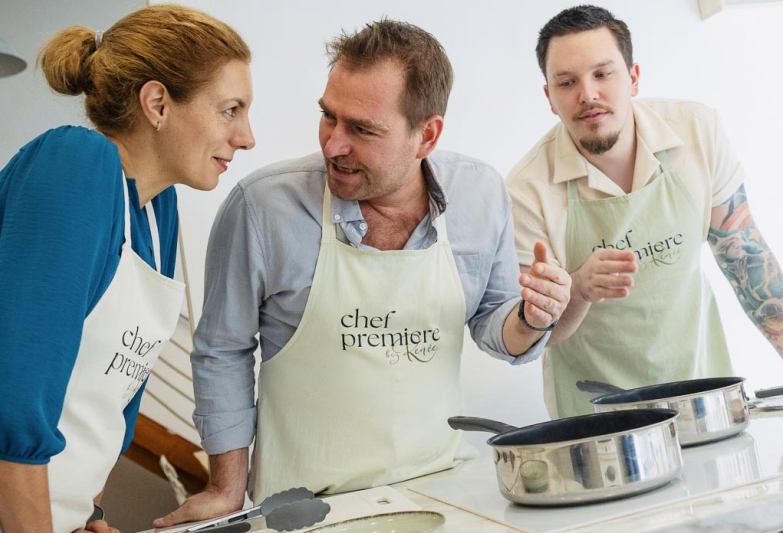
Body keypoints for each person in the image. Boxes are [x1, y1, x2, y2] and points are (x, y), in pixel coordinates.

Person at [154, 19, 572, 528]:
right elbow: (223, 351)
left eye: (362, 129)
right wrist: (226, 489)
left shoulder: (480, 194)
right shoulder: (261, 207)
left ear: (426, 135)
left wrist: (531, 317)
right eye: (328, 116)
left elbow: (491, 321)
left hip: (442, 491)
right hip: (304, 506)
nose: (333, 144)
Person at [0, 5, 254, 532]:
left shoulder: (158, 211)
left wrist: (87, 514)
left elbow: (109, 401)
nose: (246, 137)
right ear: (157, 103)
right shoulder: (75, 163)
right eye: (230, 110)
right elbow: (10, 403)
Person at [507, 5, 783, 419]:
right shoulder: (526, 191)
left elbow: (747, 262)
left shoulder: (696, 131)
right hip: (598, 424)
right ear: (550, 97)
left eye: (603, 74)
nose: (587, 94)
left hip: (704, 399)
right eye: (567, 82)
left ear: (633, 77)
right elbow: (536, 336)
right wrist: (578, 289)